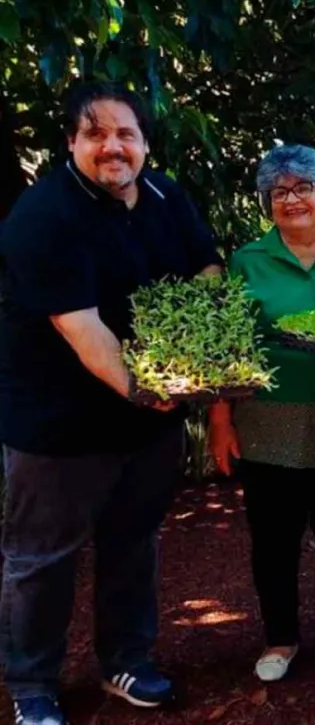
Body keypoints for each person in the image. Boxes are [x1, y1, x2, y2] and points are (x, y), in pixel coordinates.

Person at [0, 82, 222, 725]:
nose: (112, 147)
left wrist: (204, 358)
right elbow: (87, 333)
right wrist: (149, 392)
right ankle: (33, 687)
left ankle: (127, 660)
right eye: (94, 134)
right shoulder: (42, 217)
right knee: (41, 557)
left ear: (145, 142)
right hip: (57, 421)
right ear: (71, 142)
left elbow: (206, 268)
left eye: (125, 133)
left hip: (147, 416)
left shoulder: (164, 195)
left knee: (133, 540)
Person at [208, 145, 315, 682]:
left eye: (304, 188)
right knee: (273, 539)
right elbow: (225, 347)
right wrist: (220, 421)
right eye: (279, 192)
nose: (292, 200)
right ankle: (279, 639)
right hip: (266, 419)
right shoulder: (247, 261)